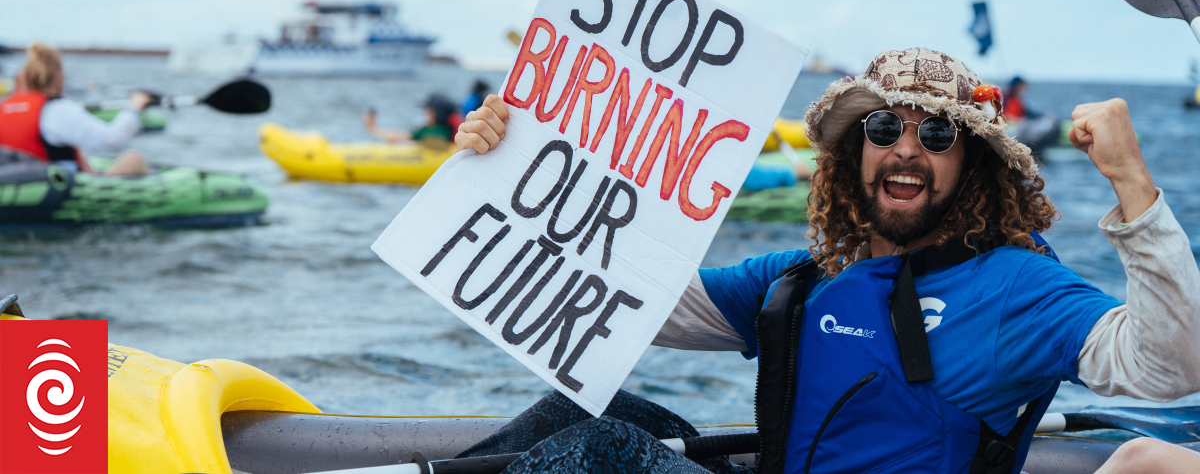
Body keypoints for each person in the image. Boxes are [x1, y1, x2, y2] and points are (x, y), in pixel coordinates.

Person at [453, 48, 1200, 474]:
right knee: (583, 410)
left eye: (938, 135)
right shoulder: (803, 280)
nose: (907, 149)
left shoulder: (1020, 287)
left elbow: (1171, 368)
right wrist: (501, 165)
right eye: (884, 128)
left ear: (971, 164)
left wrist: (1133, 184)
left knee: (601, 451)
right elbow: (613, 293)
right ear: (855, 151)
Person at [0, 43, 151, 176]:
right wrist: (134, 107)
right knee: (134, 159)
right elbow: (113, 140)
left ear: (23, 78)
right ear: (60, 81)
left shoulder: (4, 107)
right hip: (57, 188)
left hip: (19, 182)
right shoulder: (57, 110)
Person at [362, 94, 457, 146]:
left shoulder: (429, 131)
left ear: (434, 114)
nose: (425, 113)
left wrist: (372, 128)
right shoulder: (449, 130)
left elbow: (396, 137)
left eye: (427, 110)